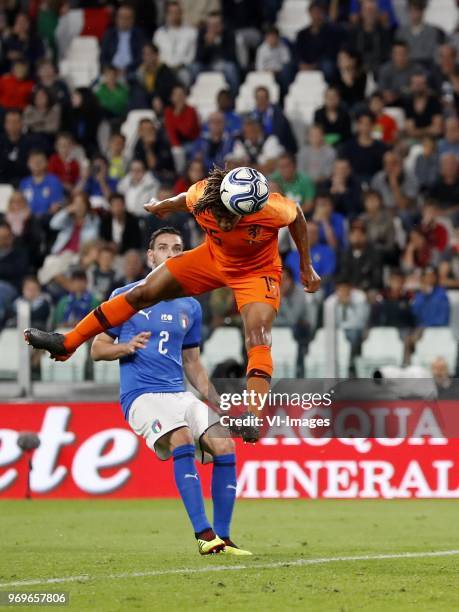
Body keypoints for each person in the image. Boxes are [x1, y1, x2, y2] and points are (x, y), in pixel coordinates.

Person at [25, 166, 321, 446]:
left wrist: (306, 267)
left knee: (257, 335)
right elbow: (184, 200)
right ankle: (68, 342)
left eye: (238, 218)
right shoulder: (201, 196)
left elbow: (297, 217)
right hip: (212, 260)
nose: (230, 222)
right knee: (143, 292)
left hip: (257, 272)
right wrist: (163, 206)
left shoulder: (272, 207)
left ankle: (253, 418)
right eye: (227, 216)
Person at [91, 226, 250, 556]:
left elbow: (193, 364)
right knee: (180, 438)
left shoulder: (190, 306)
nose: (171, 254)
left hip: (178, 393)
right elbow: (97, 347)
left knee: (224, 443)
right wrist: (125, 347)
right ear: (151, 257)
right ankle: (204, 534)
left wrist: (223, 406)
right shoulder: (126, 295)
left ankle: (224, 537)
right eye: (163, 248)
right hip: (142, 395)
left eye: (177, 249)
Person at [192, 11, 240, 95]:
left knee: (231, 69)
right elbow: (198, 58)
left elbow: (231, 57)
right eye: (210, 25)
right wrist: (207, 45)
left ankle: (233, 97)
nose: (213, 28)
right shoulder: (202, 34)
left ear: (221, 25)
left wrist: (217, 42)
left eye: (216, 25)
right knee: (194, 67)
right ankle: (190, 95)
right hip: (206, 65)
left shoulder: (228, 34)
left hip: (223, 65)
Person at [152, 1, 197, 86]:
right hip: (163, 68)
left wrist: (180, 65)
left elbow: (191, 55)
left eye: (177, 12)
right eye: (171, 13)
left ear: (181, 13)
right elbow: (155, 53)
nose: (174, 15)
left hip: (182, 68)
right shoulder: (159, 33)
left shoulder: (191, 32)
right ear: (167, 14)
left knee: (185, 76)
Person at [100, 4, 146, 75]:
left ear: (132, 20)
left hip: (132, 72)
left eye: (127, 18)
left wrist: (127, 69)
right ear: (116, 19)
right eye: (121, 17)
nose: (124, 21)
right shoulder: (109, 34)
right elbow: (103, 57)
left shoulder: (139, 35)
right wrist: (112, 70)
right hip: (111, 72)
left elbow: (141, 57)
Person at [249, 86, 297, 155]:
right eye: (258, 98)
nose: (261, 101)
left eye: (263, 98)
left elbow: (278, 135)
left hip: (280, 147)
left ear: (268, 99)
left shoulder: (278, 114)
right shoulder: (253, 114)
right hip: (261, 148)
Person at [19, 150, 64, 216]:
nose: (36, 164)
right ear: (28, 163)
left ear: (46, 163)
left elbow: (56, 205)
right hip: (28, 220)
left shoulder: (54, 181)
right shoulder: (24, 183)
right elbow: (20, 205)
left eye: (40, 161)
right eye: (33, 162)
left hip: (47, 219)